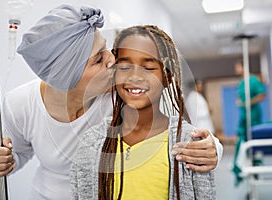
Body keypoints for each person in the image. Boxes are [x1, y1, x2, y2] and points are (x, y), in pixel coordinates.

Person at [0, 5, 221, 199]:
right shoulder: (21, 104)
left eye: (106, 49)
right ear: (67, 79)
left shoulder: (124, 94)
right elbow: (18, 154)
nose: (111, 60)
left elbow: (179, 130)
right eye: (98, 60)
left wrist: (213, 149)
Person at [70, 25, 216, 200]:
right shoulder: (91, 143)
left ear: (167, 76)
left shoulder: (188, 144)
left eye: (148, 68)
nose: (135, 77)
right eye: (124, 67)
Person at [232, 59, 266, 185]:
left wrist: (248, 102)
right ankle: (243, 166)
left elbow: (262, 95)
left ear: (243, 67)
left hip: (253, 115)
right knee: (242, 140)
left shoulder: (253, 80)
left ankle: (255, 166)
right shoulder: (241, 82)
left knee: (253, 141)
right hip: (244, 115)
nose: (236, 70)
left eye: (237, 67)